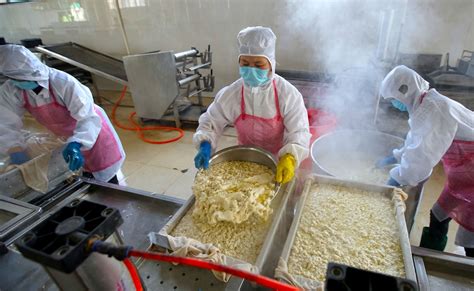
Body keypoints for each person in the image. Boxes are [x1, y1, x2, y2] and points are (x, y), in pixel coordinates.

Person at [193, 26, 310, 184]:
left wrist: (290, 157)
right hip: (245, 159)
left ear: (270, 64)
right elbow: (211, 121)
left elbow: (299, 131)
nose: (251, 69)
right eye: (245, 63)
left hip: (279, 161)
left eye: (258, 64)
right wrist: (205, 144)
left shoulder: (288, 94)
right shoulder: (232, 94)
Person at [378, 65, 474, 257]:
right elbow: (416, 141)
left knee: (471, 233)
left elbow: (421, 161)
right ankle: (432, 259)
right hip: (463, 173)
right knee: (439, 214)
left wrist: (395, 179)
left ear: (404, 93)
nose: (395, 104)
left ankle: (466, 272)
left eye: (394, 99)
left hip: (470, 172)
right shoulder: (425, 104)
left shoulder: (435, 109)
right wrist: (396, 156)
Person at [0, 45, 125, 184]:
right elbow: (5, 121)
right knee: (82, 179)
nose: (20, 82)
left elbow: (88, 118)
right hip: (64, 137)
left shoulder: (63, 83)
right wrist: (14, 148)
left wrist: (77, 143)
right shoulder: (11, 90)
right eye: (16, 78)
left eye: (24, 78)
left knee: (105, 178)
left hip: (92, 131)